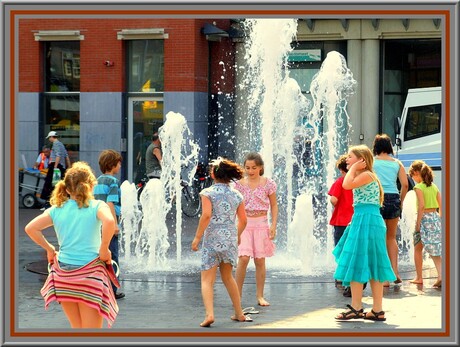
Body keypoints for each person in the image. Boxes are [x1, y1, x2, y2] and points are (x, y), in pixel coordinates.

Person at [24, 161, 119, 328]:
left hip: (64, 277)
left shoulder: (56, 209)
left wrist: (50, 249)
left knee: (77, 329)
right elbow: (110, 221)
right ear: (91, 186)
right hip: (89, 276)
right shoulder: (97, 206)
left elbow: (30, 228)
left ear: (66, 189)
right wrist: (104, 249)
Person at [333, 145, 396, 322]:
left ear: (362, 160)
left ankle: (357, 307)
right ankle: (376, 310)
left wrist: (353, 168)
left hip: (366, 220)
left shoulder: (366, 175)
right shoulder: (368, 176)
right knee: (372, 263)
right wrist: (353, 167)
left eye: (350, 157)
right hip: (366, 218)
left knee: (356, 261)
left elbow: (346, 185)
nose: (347, 159)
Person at [191, 157, 250, 327]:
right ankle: (239, 313)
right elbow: (243, 220)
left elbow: (206, 216)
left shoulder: (207, 193)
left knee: (207, 280)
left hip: (212, 240)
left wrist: (197, 238)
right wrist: (236, 235)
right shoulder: (237, 194)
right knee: (228, 277)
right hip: (229, 239)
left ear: (213, 174)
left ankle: (209, 314)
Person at [234, 152, 278, 307]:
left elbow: (273, 204)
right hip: (244, 223)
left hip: (261, 223)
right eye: (247, 168)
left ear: (260, 167)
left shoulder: (268, 183)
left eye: (253, 167)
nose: (250, 171)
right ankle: (236, 294)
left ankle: (260, 295)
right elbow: (235, 205)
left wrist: (273, 225)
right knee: (244, 258)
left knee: (260, 260)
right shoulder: (239, 184)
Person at [372, 134, 408, 285]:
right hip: (394, 198)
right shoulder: (397, 163)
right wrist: (401, 202)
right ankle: (395, 272)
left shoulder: (373, 163)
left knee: (380, 238)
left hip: (378, 199)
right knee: (392, 238)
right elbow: (405, 185)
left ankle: (384, 277)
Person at [93, 149, 125, 300]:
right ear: (112, 165)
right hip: (109, 223)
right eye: (119, 164)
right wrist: (115, 224)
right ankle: (111, 289)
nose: (120, 167)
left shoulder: (96, 181)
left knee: (100, 254)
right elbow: (110, 203)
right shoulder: (113, 181)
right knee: (112, 256)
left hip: (98, 223)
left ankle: (99, 287)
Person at [408, 160, 442, 288]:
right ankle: (441, 274)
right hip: (434, 217)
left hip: (424, 219)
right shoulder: (434, 186)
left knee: (418, 248)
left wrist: (417, 224)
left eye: (412, 175)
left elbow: (421, 206)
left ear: (417, 173)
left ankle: (419, 277)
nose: (412, 178)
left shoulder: (418, 187)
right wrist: (439, 219)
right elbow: (441, 204)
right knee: (435, 249)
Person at [328, 154, 354, 293]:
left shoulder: (340, 181)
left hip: (341, 221)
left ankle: (340, 275)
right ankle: (350, 277)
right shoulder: (357, 181)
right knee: (351, 249)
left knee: (340, 249)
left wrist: (335, 204)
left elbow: (334, 199)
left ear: (343, 170)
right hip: (354, 221)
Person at [40, 131, 72, 209]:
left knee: (49, 185)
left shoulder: (56, 144)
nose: (49, 139)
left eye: (49, 138)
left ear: (51, 137)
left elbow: (58, 155)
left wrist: (55, 167)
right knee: (60, 185)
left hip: (55, 166)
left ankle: (48, 204)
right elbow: (66, 157)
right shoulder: (61, 145)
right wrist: (69, 167)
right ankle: (62, 201)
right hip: (62, 167)